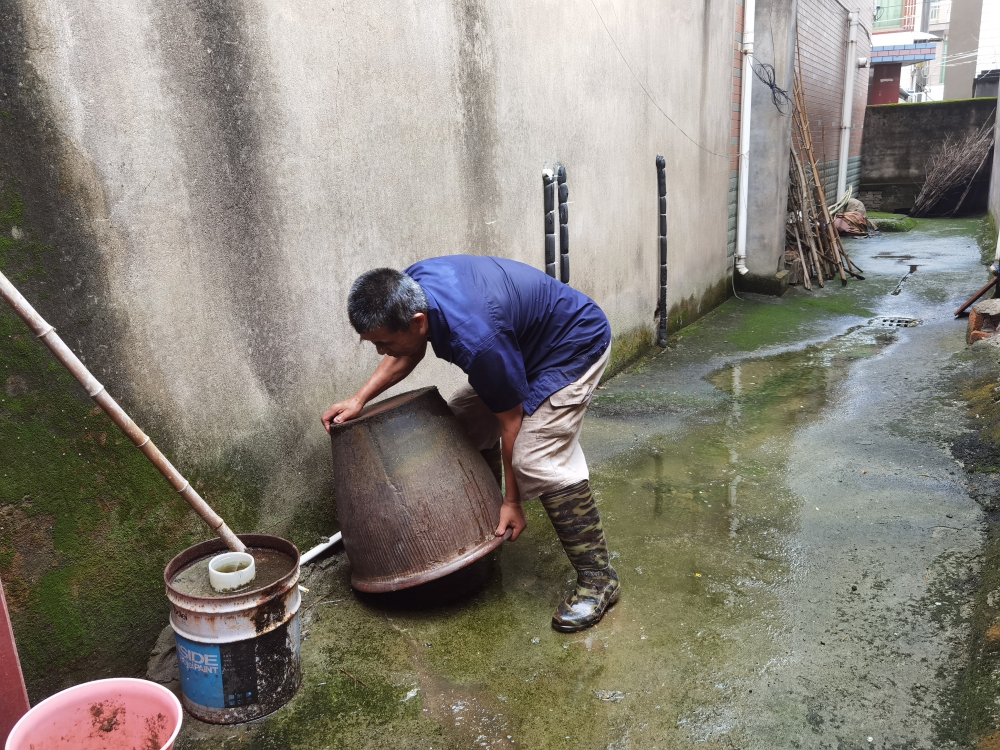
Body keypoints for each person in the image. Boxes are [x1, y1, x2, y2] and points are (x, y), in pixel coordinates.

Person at [321, 255, 618, 631]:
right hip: (519, 347)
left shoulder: (477, 338)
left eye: (383, 342)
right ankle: (483, 530)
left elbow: (509, 420)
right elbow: (407, 348)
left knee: (535, 458)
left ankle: (599, 579)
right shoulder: (411, 288)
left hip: (572, 347)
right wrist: (358, 398)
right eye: (373, 343)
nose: (381, 351)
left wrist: (513, 500)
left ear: (417, 321)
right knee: (456, 424)